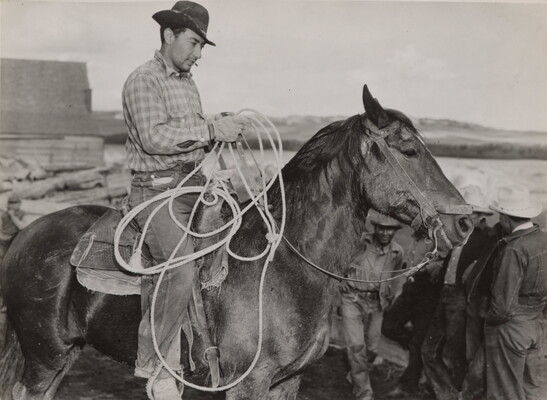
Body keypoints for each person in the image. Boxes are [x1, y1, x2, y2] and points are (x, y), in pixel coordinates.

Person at [122, 2, 253, 398]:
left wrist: (219, 126)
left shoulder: (185, 81)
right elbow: (154, 138)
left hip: (193, 185)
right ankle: (158, 368)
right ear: (169, 35)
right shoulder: (143, 80)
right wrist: (212, 128)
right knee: (178, 270)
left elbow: (190, 131)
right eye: (194, 43)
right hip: (157, 192)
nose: (198, 55)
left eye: (201, 47)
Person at [421, 185, 494, 400]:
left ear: (480, 215)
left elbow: (485, 271)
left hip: (463, 299)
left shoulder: (487, 239)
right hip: (445, 293)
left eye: (470, 213)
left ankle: (458, 393)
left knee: (454, 353)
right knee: (428, 350)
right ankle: (447, 393)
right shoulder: (457, 232)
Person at [483, 184, 546, 400]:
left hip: (512, 327)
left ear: (506, 218)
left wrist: (489, 321)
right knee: (534, 387)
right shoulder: (543, 240)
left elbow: (503, 305)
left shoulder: (514, 248)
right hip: (537, 324)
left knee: (505, 389)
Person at [340, 210, 404, 400]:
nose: (385, 233)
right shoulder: (359, 243)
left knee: (372, 347)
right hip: (352, 299)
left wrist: (393, 293)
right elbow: (339, 259)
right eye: (382, 228)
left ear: (395, 231)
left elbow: (397, 275)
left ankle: (355, 374)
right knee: (357, 347)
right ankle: (364, 392)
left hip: (377, 302)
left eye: (390, 229)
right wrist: (340, 280)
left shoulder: (397, 252)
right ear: (375, 228)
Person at [381, 234, 445, 398]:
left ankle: (407, 386)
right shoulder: (417, 236)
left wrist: (428, 268)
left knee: (418, 343)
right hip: (410, 288)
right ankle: (417, 350)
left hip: (428, 293)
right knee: (389, 326)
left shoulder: (442, 235)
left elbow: (444, 262)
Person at [0, 193, 26, 262]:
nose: (13, 205)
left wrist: (12, 215)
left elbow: (22, 227)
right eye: (11, 203)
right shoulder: (3, 214)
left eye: (15, 202)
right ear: (8, 204)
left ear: (19, 203)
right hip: (3, 240)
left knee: (14, 259)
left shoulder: (22, 213)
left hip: (15, 240)